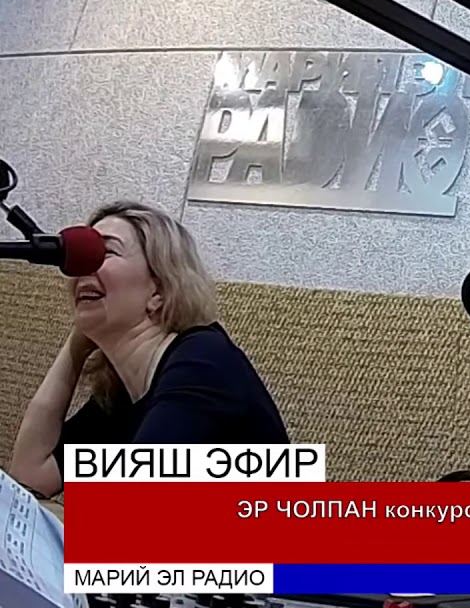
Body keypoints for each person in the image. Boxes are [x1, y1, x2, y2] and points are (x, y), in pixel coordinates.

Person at [8, 200, 289, 498]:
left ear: (160, 290)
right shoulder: (122, 393)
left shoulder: (203, 361)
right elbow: (30, 481)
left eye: (105, 252)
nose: (81, 267)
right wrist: (75, 349)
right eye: (81, 254)